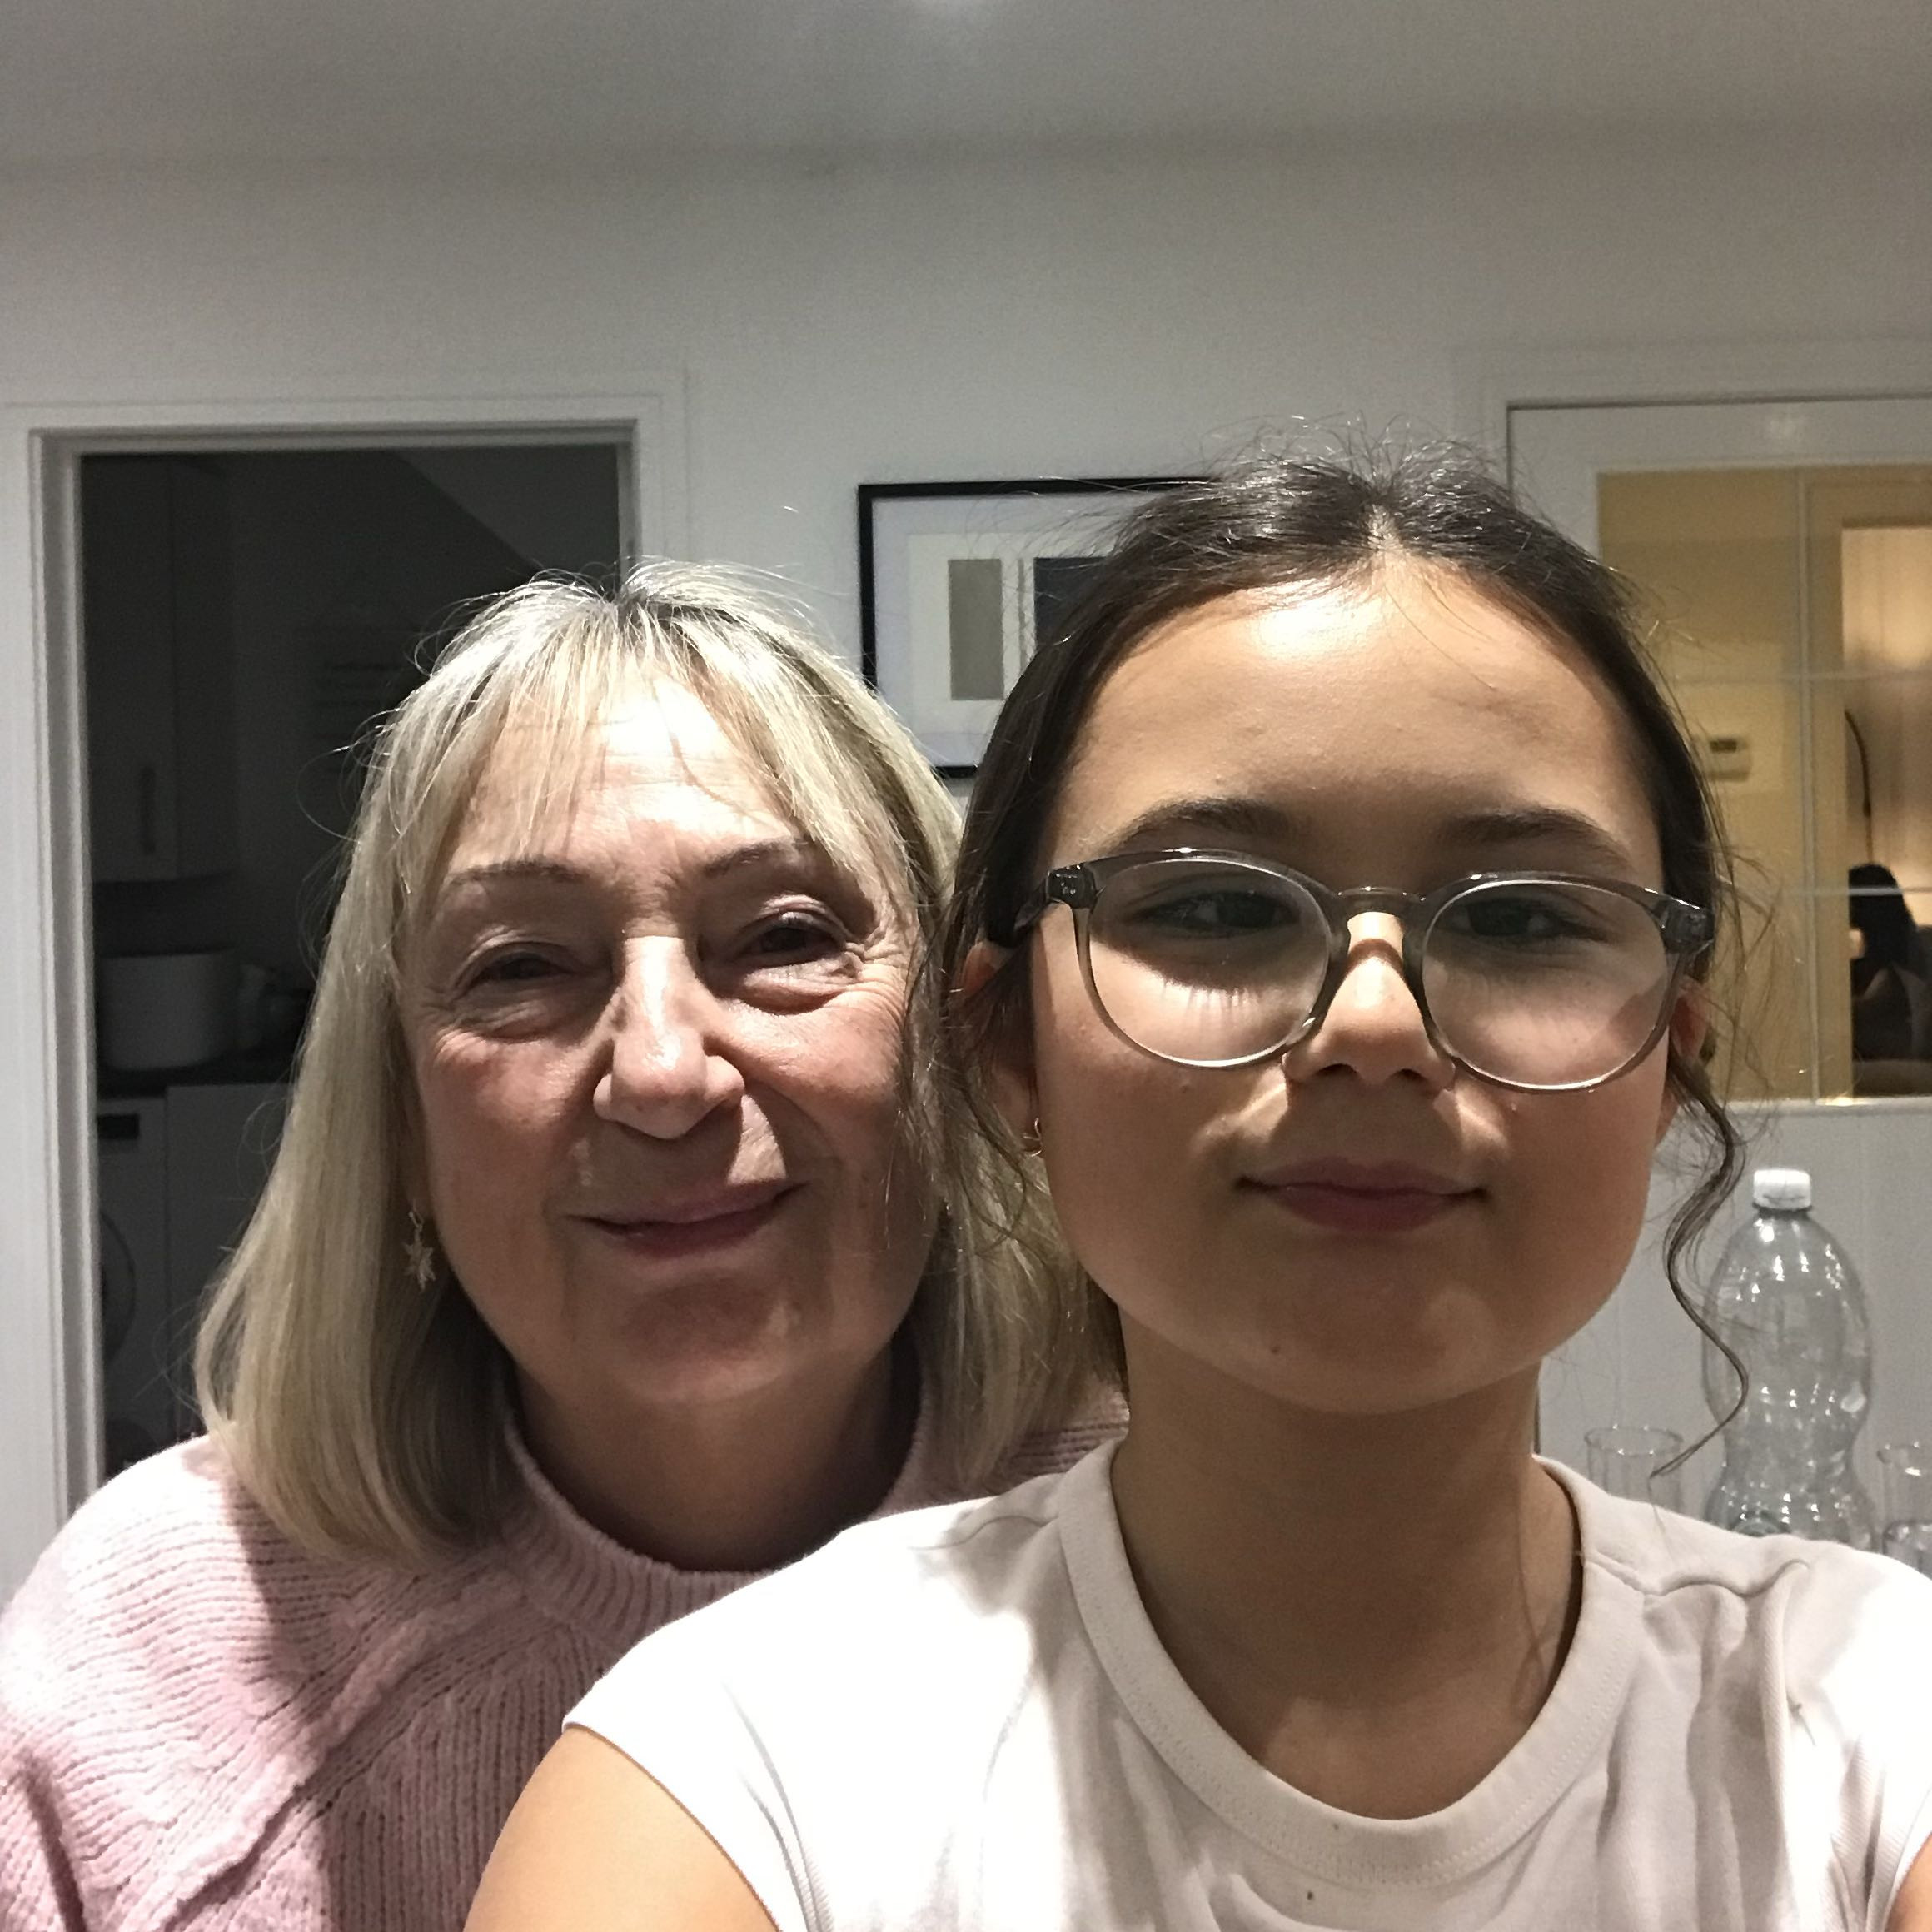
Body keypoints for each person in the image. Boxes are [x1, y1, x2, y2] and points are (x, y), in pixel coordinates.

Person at [470, 449, 1932, 1932]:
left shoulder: (1872, 1713)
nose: (1376, 1022)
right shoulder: (743, 1775)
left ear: (1671, 1052)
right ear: (1008, 1045)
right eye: (1220, 906)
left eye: (1525, 921)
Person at [0, 565, 1118, 1930]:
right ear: (399, 1120)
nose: (661, 1074)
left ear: (953, 1041)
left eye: (783, 937)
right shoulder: (146, 1666)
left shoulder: (1190, 1551)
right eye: (521, 966)